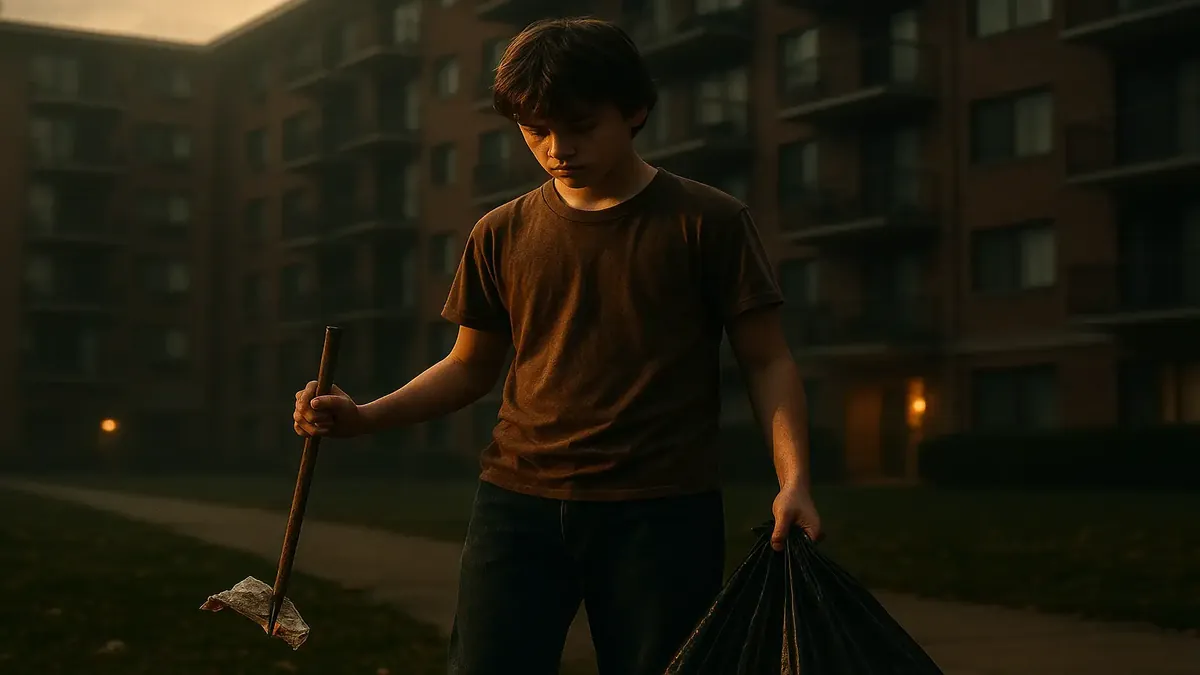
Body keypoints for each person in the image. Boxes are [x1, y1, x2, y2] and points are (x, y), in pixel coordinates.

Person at [292, 16, 822, 675]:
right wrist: (366, 415)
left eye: (579, 125)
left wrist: (793, 480)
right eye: (536, 128)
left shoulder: (706, 221)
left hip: (661, 511)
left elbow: (767, 360)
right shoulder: (500, 232)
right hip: (517, 505)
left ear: (635, 111)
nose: (555, 147)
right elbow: (467, 367)